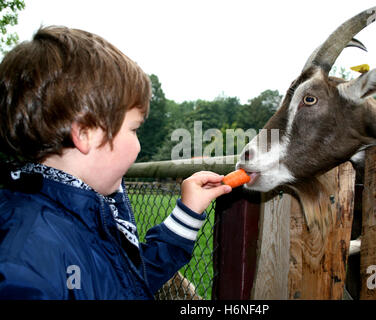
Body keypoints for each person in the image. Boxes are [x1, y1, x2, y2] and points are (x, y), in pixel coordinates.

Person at [0, 26, 232, 299]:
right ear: (85, 133)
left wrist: (188, 212)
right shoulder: (24, 262)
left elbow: (130, 282)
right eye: (134, 129)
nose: (138, 146)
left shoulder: (87, 214)